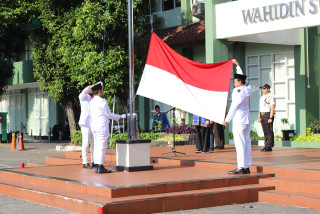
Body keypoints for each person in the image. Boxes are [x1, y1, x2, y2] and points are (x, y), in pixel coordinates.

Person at [222, 59, 252, 175]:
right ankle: (247, 166)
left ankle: (241, 167)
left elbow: (233, 107)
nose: (234, 83)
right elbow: (245, 80)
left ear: (240, 82)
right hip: (246, 120)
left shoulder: (237, 92)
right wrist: (238, 66)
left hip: (239, 121)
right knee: (247, 144)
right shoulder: (247, 88)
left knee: (240, 144)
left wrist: (226, 120)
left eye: (235, 81)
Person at [90, 82, 126, 173]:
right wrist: (121, 116)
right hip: (102, 127)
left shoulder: (92, 101)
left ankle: (98, 165)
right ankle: (100, 167)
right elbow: (109, 115)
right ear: (99, 91)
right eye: (102, 90)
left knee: (97, 146)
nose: (103, 92)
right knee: (101, 147)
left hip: (94, 127)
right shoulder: (102, 101)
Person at [78, 83, 95, 169]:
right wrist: (94, 85)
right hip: (85, 123)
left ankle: (94, 161)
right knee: (86, 143)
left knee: (93, 143)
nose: (92, 89)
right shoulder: (83, 96)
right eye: (90, 87)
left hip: (93, 123)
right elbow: (85, 90)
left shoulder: (94, 97)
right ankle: (85, 162)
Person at [258, 84, 275, 152]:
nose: (263, 90)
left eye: (264, 88)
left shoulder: (271, 97)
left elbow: (272, 107)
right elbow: (260, 107)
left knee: (269, 131)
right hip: (262, 115)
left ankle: (268, 146)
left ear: (268, 89)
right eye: (262, 89)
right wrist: (259, 116)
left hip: (268, 115)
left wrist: (270, 117)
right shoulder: (262, 97)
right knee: (265, 131)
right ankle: (266, 145)